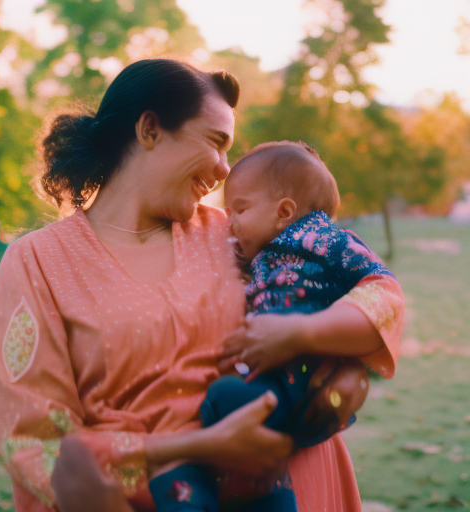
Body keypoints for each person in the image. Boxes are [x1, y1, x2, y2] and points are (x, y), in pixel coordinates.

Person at [0, 58, 404, 512]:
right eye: (216, 142)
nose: (224, 170)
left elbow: (357, 292)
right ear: (150, 130)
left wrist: (348, 372)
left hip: (295, 483)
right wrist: (196, 447)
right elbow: (34, 443)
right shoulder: (39, 261)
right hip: (156, 497)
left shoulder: (240, 236)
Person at [147, 140, 394, 512]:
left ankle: (220, 498)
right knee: (224, 409)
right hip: (275, 384)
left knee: (225, 402)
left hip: (301, 380)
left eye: (240, 210)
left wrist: (301, 334)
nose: (230, 224)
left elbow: (382, 288)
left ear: (284, 211)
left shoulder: (323, 239)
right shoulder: (262, 254)